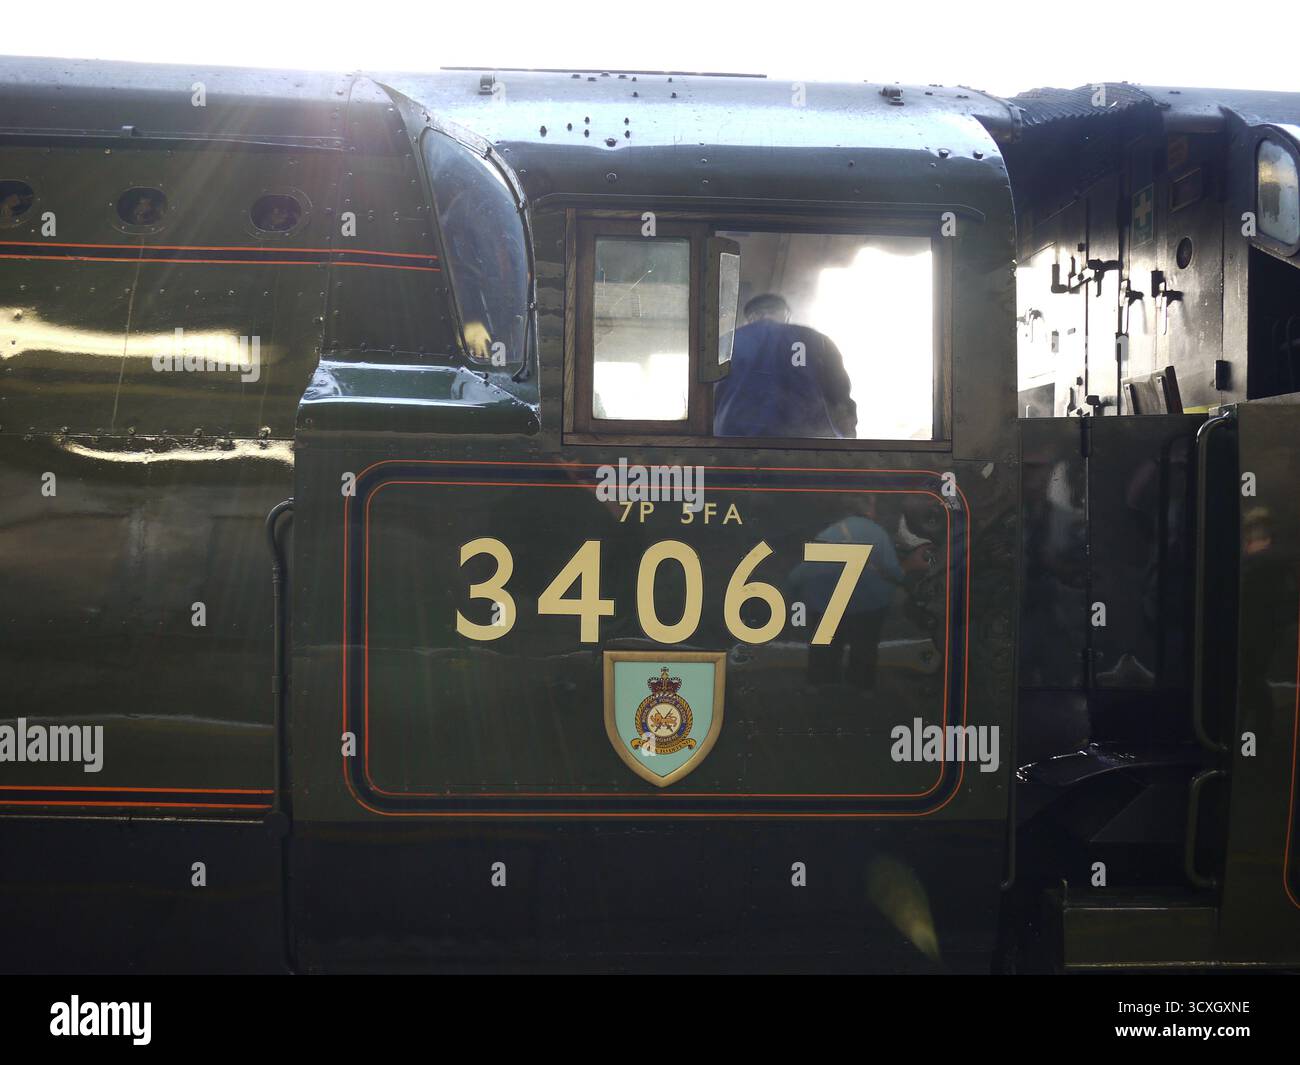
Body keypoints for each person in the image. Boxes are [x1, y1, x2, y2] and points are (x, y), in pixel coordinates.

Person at [713, 293, 856, 439]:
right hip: (806, 442)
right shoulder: (818, 340)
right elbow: (840, 393)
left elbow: (708, 395)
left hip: (733, 440)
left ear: (750, 318)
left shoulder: (726, 342)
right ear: (785, 314)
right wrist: (848, 436)